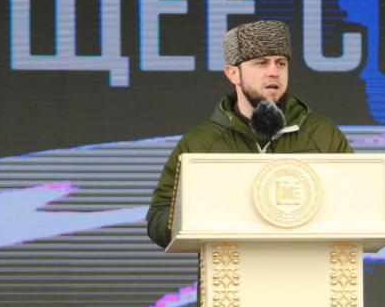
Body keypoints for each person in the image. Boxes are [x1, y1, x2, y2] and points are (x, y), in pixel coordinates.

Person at [146, 19, 354, 248]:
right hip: (230, 267)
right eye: (261, 63)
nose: (274, 72)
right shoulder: (200, 143)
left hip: (310, 266)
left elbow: (358, 202)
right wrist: (204, 213)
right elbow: (158, 219)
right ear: (233, 74)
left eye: (281, 63)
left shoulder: (323, 134)